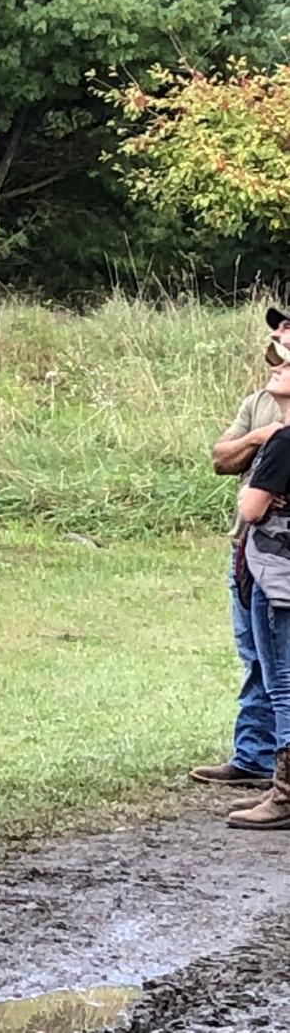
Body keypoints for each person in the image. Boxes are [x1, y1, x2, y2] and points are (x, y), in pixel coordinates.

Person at [191, 307, 290, 790]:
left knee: (282, 669)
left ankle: (282, 777)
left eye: (287, 327)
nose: (277, 335)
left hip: (279, 557)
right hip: (250, 551)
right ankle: (254, 756)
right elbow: (220, 458)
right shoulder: (260, 401)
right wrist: (262, 437)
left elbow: (251, 503)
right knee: (256, 657)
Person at [228, 342, 290, 830]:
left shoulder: (285, 442)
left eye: (288, 365)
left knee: (283, 683)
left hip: (277, 574)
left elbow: (250, 508)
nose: (278, 368)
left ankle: (284, 793)